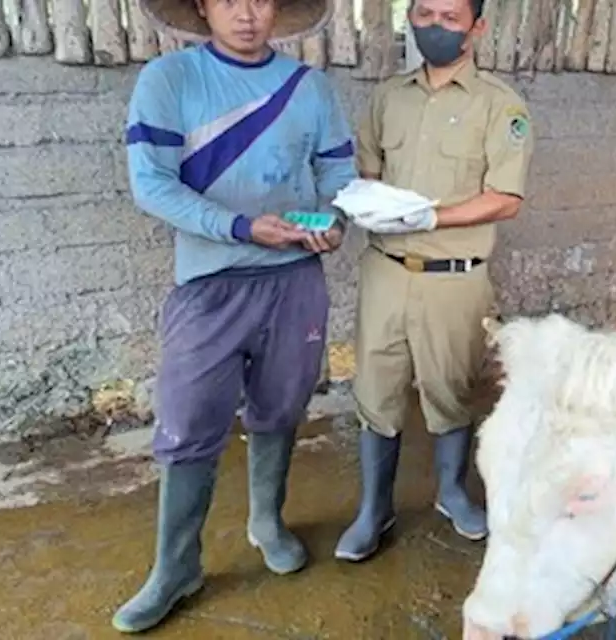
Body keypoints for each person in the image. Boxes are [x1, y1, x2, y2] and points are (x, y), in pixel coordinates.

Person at [112, 0, 357, 632]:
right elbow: (152, 185)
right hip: (208, 284)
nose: (245, 13)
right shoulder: (170, 81)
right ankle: (175, 567)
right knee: (188, 418)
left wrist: (334, 221)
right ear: (201, 7)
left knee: (281, 406)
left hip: (295, 281)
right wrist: (241, 227)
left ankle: (266, 522)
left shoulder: (310, 89)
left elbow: (338, 175)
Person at [333, 0, 535, 562]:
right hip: (386, 272)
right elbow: (368, 173)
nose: (435, 27)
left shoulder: (500, 106)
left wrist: (432, 217)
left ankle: (451, 492)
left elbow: (507, 198)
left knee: (451, 391)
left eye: (450, 17)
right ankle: (375, 509)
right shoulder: (387, 98)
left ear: (477, 28)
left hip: (454, 278)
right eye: (423, 14)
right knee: (376, 389)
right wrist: (362, 203)